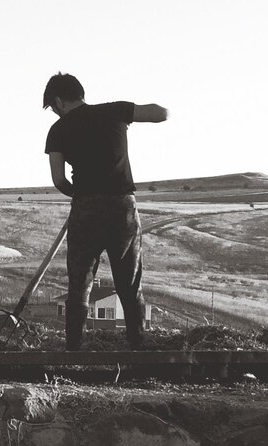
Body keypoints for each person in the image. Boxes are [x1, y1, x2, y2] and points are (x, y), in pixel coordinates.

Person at [42, 73, 168, 350]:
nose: (54, 112)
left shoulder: (58, 130)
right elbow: (162, 113)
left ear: (60, 101)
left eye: (53, 107)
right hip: (122, 206)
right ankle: (137, 345)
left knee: (79, 282)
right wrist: (129, 113)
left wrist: (83, 196)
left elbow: (59, 180)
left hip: (86, 207)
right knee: (129, 280)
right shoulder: (114, 111)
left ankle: (74, 349)